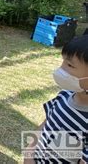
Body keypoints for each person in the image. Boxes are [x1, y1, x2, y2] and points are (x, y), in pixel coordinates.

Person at [30, 35, 88, 163]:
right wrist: (29, 155)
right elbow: (44, 126)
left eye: (69, 65)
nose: (61, 69)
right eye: (63, 62)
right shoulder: (64, 95)